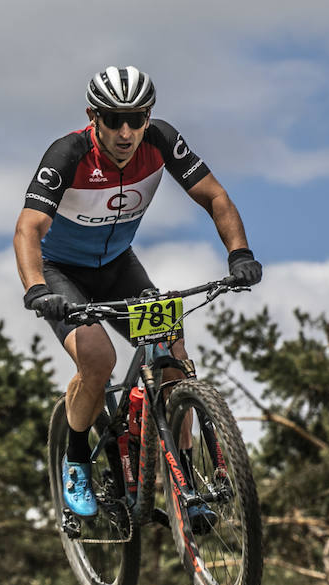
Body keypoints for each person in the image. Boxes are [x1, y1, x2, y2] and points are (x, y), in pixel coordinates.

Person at [14, 66, 263, 521]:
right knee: (98, 359)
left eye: (137, 118)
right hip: (61, 272)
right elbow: (29, 227)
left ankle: (185, 485)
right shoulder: (68, 153)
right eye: (113, 119)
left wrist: (239, 254)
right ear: (93, 116)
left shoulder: (161, 140)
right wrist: (36, 288)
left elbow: (216, 197)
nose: (126, 131)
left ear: (149, 116)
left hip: (118, 267)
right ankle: (75, 460)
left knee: (173, 361)